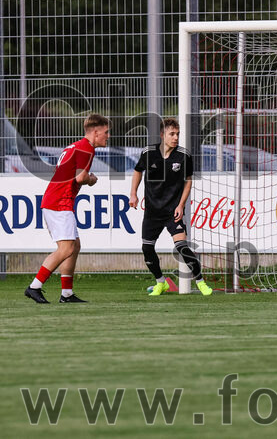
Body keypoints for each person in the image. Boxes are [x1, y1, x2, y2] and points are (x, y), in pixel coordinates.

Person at [24, 114, 109, 304]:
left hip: (55, 199)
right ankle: (34, 286)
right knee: (67, 248)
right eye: (106, 132)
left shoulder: (74, 145)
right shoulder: (87, 148)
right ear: (95, 132)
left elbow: (68, 173)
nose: (108, 136)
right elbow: (80, 178)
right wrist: (92, 179)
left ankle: (67, 294)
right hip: (59, 202)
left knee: (74, 246)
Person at [129, 118, 211, 296]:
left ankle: (200, 282)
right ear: (162, 135)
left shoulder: (183, 155)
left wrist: (181, 205)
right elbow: (137, 170)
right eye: (172, 134)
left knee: (182, 246)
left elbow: (188, 181)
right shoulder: (148, 152)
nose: (175, 138)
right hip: (152, 212)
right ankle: (160, 282)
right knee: (147, 248)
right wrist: (133, 193)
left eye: (177, 134)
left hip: (172, 210)